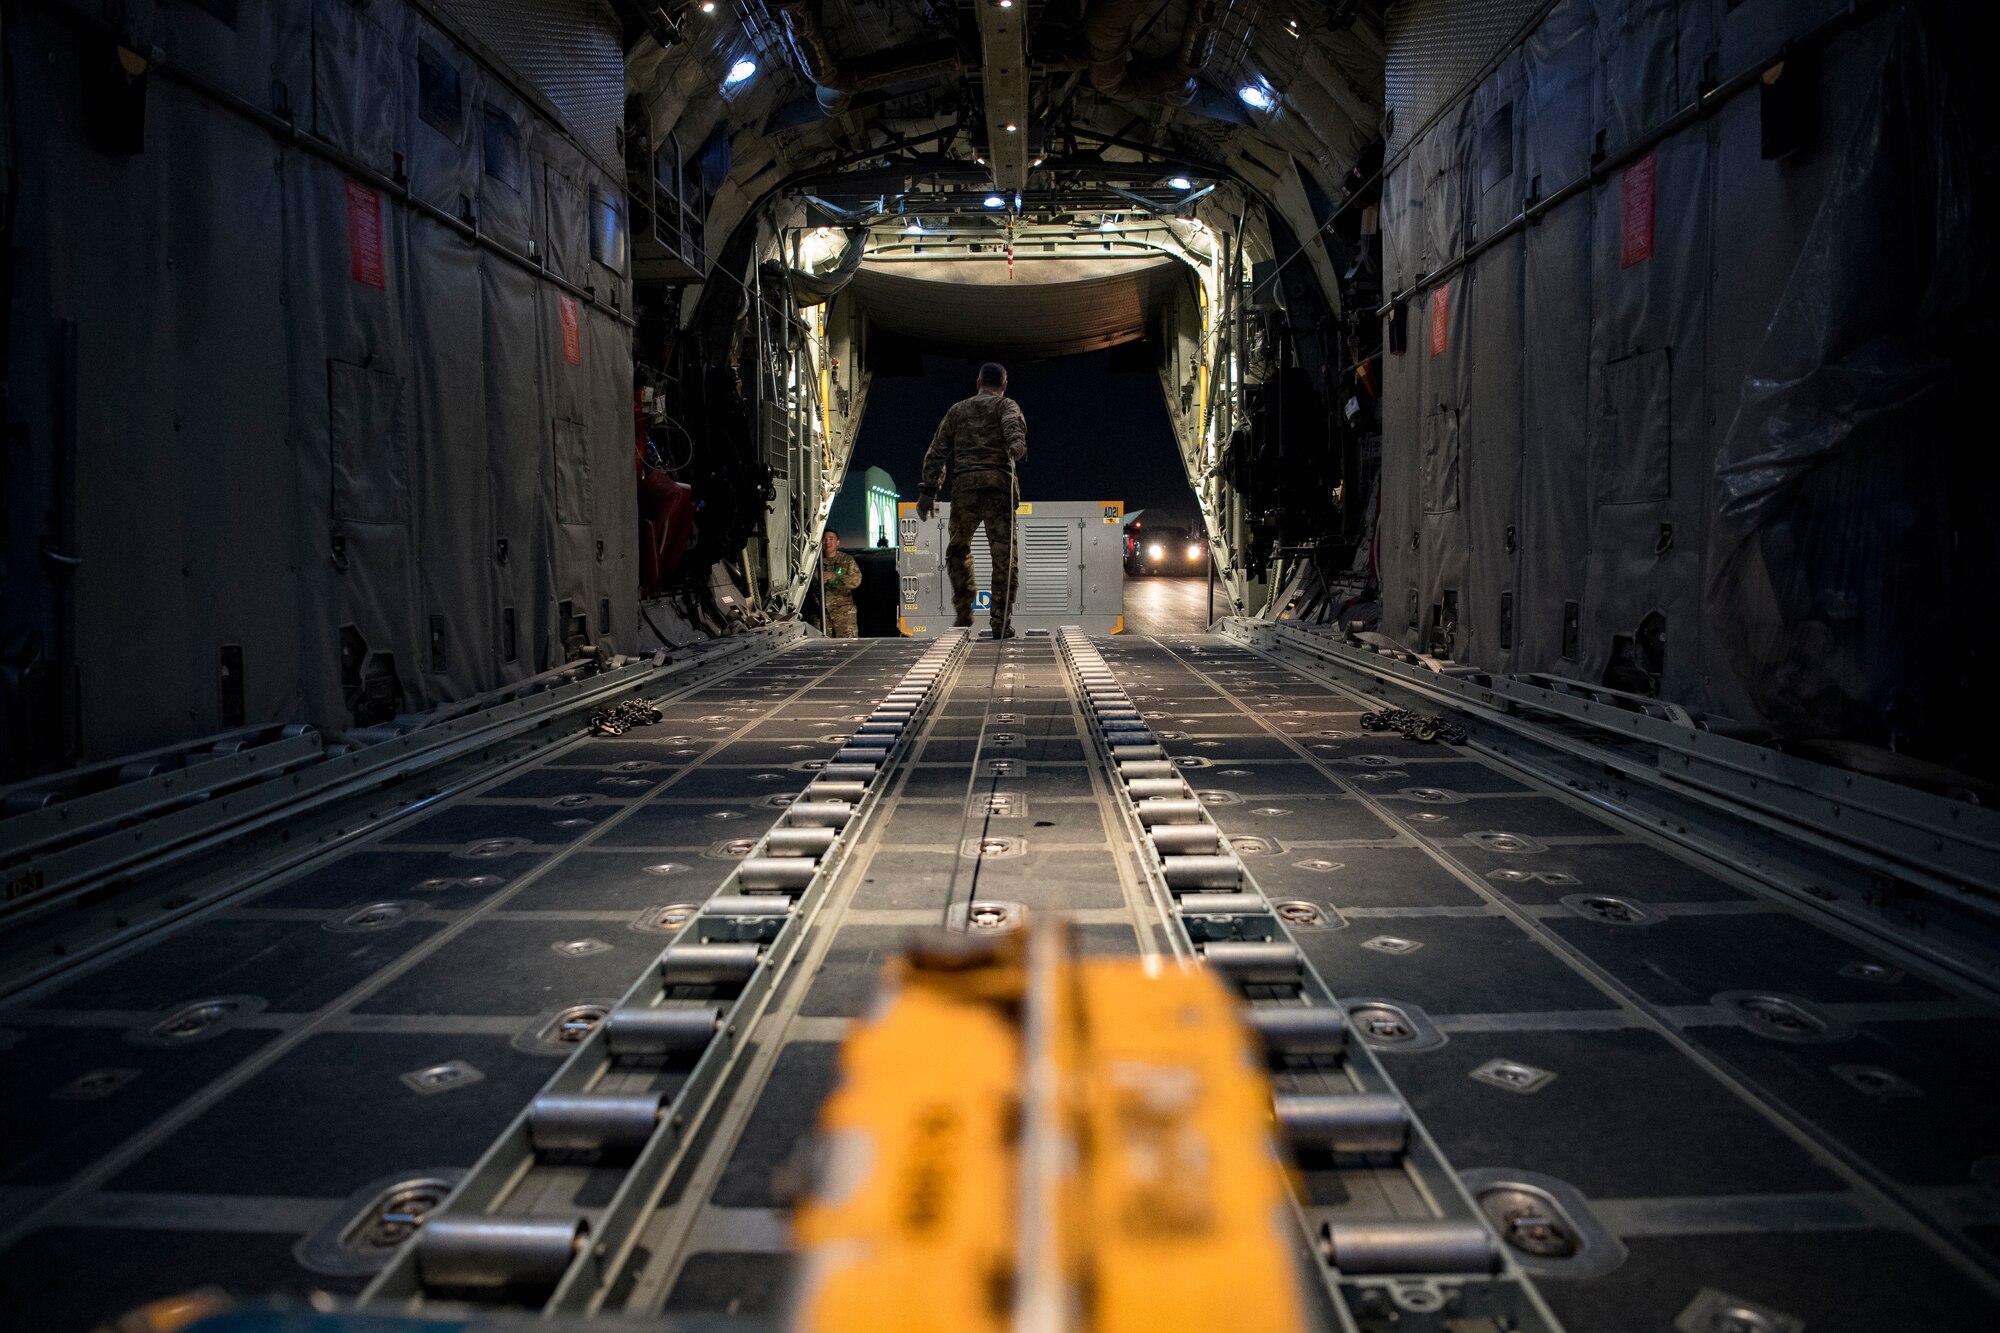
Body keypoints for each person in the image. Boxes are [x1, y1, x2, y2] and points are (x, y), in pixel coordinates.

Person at [916, 362, 1026, 637]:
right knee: (1003, 557)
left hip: (965, 489)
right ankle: (1000, 623)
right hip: (998, 488)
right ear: (1004, 385)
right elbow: (1013, 430)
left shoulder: (957, 410)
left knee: (957, 548)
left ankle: (964, 609)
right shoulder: (1006, 405)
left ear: (978, 382)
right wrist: (1016, 445)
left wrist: (928, 491)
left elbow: (937, 451)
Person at [820, 529, 862, 638]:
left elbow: (856, 581)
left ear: (837, 542)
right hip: (821, 614)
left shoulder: (846, 560)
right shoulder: (814, 560)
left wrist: (835, 576)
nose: (827, 542)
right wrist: (815, 577)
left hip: (843, 613)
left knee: (848, 645)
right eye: (824, 539)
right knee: (821, 647)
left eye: (831, 539)